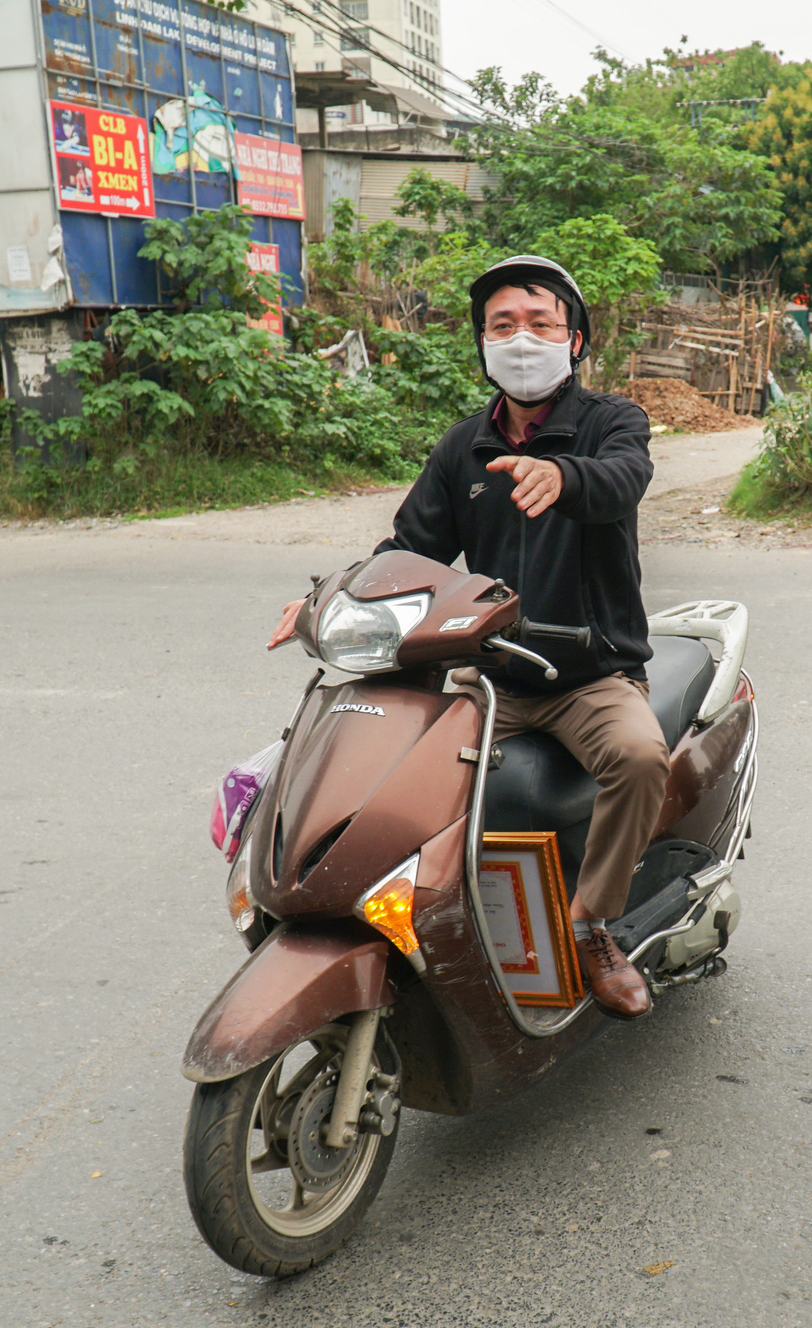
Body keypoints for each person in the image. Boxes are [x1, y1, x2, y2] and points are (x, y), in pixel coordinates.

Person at [270, 255, 666, 1019]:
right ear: (483, 343)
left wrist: (567, 480)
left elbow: (623, 477)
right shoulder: (463, 448)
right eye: (503, 326)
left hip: (590, 674)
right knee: (389, 760)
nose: (523, 340)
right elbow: (410, 550)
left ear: (575, 341)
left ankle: (591, 922)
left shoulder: (612, 423)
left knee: (641, 756)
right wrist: (329, 598)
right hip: (489, 677)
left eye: (542, 323)